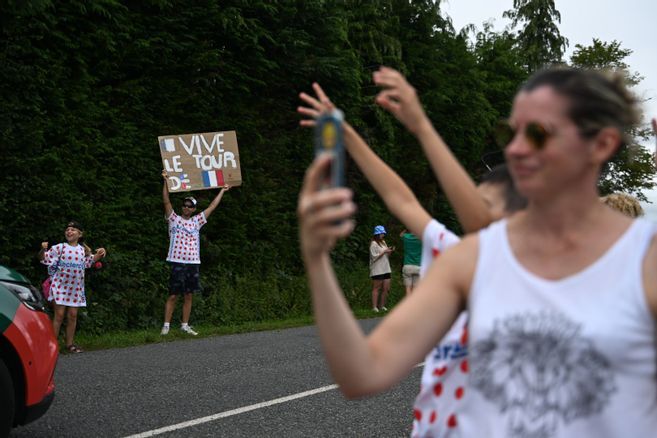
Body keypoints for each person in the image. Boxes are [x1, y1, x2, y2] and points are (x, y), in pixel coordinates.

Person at [298, 66, 657, 437]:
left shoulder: (645, 261)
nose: (514, 149)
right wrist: (316, 259)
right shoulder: (473, 257)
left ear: (601, 144)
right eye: (510, 132)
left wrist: (420, 125)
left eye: (537, 133)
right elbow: (362, 373)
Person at [298, 75, 525, 437]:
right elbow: (400, 199)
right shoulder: (458, 256)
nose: (467, 206)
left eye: (483, 201)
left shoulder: (546, 284)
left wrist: (421, 126)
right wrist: (348, 136)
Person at [161, 170, 230, 336]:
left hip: (193, 263)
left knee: (189, 295)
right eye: (184, 205)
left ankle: (184, 325)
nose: (186, 207)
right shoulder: (173, 218)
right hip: (177, 261)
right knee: (173, 295)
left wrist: (222, 190)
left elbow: (212, 207)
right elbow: (166, 200)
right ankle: (166, 326)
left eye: (189, 206)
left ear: (193, 209)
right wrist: (165, 181)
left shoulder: (196, 221)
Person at [39, 221, 106, 353]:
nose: (69, 231)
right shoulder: (60, 248)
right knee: (59, 315)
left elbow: (90, 261)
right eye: (68, 229)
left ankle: (69, 344)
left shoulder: (83, 250)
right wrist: (43, 249)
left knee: (73, 316)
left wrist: (102, 252)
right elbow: (43, 259)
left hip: (75, 289)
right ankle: (51, 346)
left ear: (80, 234)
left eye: (73, 230)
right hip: (60, 287)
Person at [370, 225, 394, 312]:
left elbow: (387, 255)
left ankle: (382, 306)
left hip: (386, 268)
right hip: (377, 269)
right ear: (377, 234)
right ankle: (374, 307)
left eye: (383, 233)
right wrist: (384, 251)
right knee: (377, 288)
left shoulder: (383, 242)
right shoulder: (373, 244)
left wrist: (389, 251)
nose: (383, 235)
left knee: (386, 288)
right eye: (382, 233)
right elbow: (374, 257)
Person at [399, 229, 421, 296]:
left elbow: (400, 235)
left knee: (408, 289)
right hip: (418, 266)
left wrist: (405, 229)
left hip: (407, 266)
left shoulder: (406, 237)